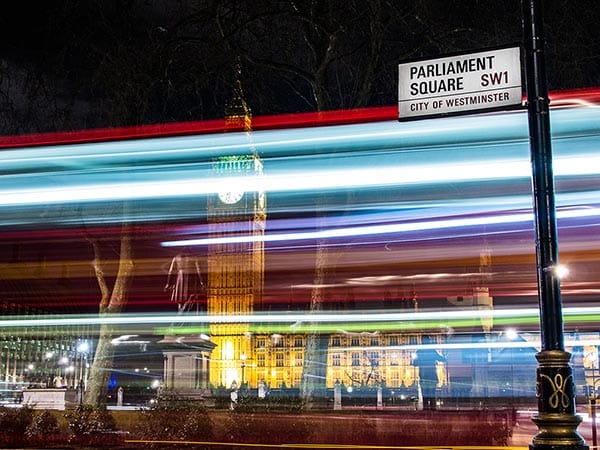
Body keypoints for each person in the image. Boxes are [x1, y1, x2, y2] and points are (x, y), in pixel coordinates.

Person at [414, 336, 446, 410]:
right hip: (432, 377)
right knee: (432, 397)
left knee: (425, 397)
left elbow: (415, 363)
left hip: (423, 377)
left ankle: (426, 412)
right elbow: (442, 359)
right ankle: (433, 412)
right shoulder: (432, 351)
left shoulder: (419, 351)